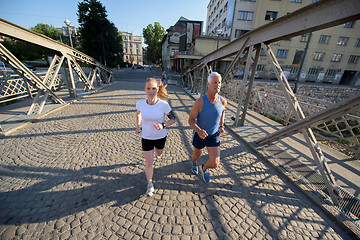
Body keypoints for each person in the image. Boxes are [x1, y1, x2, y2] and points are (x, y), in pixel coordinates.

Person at [135, 78, 176, 196]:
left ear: (157, 89)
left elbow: (173, 119)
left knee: (159, 153)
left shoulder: (164, 105)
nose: (151, 91)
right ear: (145, 89)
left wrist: (162, 125)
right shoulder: (140, 103)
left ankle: (159, 153)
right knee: (149, 161)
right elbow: (138, 113)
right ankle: (150, 185)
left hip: (160, 137)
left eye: (153, 88)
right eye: (148, 88)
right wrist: (138, 126)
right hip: (146, 137)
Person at [188, 72, 227, 182]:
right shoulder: (199, 102)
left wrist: (221, 125)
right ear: (208, 84)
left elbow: (222, 112)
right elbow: (190, 120)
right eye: (215, 82)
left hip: (214, 135)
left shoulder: (223, 101)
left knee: (215, 163)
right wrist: (199, 131)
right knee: (196, 155)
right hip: (200, 135)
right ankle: (194, 163)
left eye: (219, 82)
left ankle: (204, 168)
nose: (217, 85)